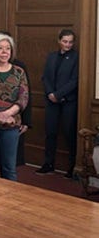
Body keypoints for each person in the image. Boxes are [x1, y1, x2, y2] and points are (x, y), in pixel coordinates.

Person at [0, 33, 29, 182]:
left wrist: (7, 114)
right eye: (0, 48)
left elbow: (23, 97)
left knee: (9, 168)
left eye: (8, 48)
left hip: (11, 125)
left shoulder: (18, 71)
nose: (5, 52)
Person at [38, 29, 79, 177]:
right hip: (51, 101)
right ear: (59, 41)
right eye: (65, 41)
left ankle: (72, 167)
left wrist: (58, 94)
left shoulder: (76, 57)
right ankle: (48, 164)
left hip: (68, 101)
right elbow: (46, 77)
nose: (67, 44)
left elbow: (75, 81)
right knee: (50, 133)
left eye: (70, 42)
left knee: (69, 133)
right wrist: (51, 93)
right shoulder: (52, 56)